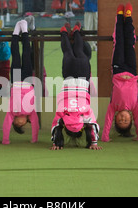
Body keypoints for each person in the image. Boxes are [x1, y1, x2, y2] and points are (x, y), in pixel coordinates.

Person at [50, 22, 101, 151]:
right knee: (68, 51)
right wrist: (56, 141)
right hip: (69, 77)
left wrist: (94, 142)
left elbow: (94, 125)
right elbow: (55, 125)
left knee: (78, 50)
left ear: (82, 127)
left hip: (83, 77)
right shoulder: (63, 114)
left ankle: (77, 32)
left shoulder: (85, 115)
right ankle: (64, 33)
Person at [102, 3, 138, 142]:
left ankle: (119, 16)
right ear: (130, 118)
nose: (123, 118)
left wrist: (105, 137)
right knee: (130, 42)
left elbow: (107, 120)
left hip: (118, 69)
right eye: (126, 121)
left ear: (116, 118)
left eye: (120, 121)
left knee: (119, 42)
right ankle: (128, 17)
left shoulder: (114, 106)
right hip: (132, 71)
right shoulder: (134, 106)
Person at [2, 20, 39, 145]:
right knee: (26, 55)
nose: (19, 122)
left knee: (16, 55)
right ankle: (25, 32)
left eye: (16, 123)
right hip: (28, 81)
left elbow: (6, 124)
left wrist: (5, 140)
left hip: (17, 81)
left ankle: (15, 33)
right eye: (21, 124)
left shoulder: (12, 113)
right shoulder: (31, 113)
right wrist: (34, 139)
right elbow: (36, 125)